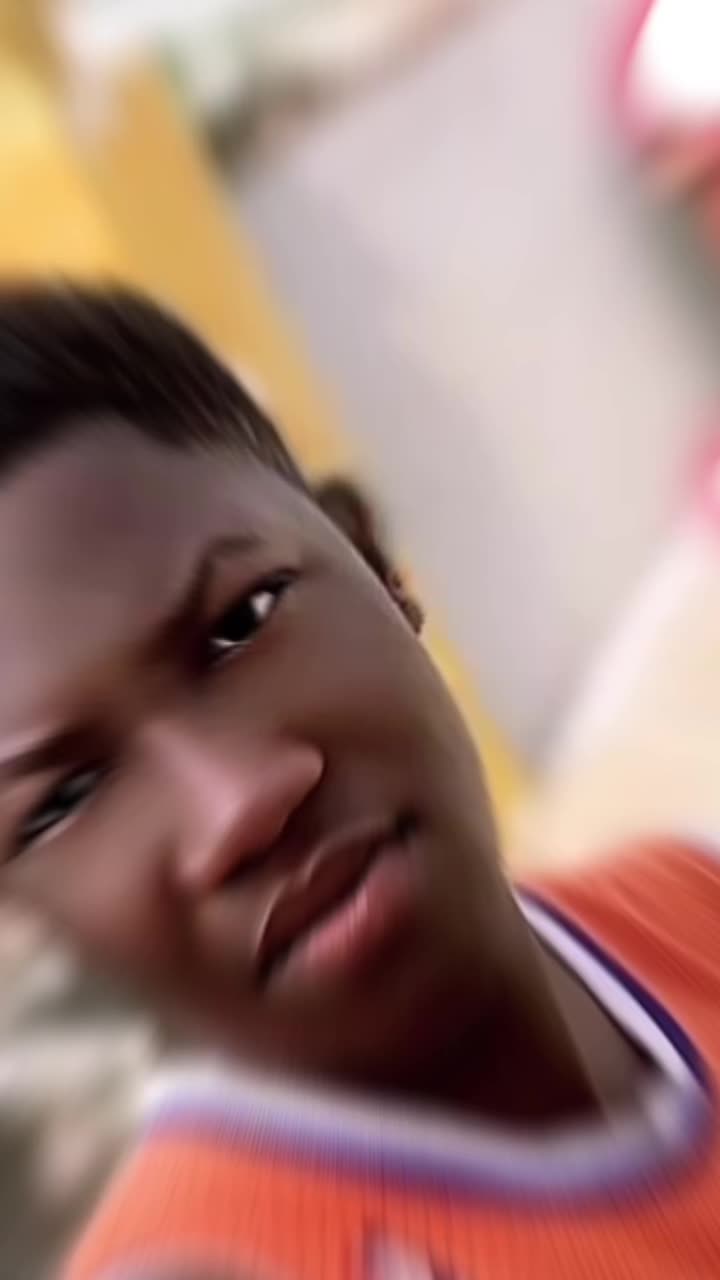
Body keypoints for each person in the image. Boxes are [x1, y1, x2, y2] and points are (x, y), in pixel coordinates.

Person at [0, 286, 717, 1280]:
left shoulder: (692, 900)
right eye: (64, 800)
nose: (239, 804)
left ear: (379, 563)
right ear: (28, 916)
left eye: (243, 622)